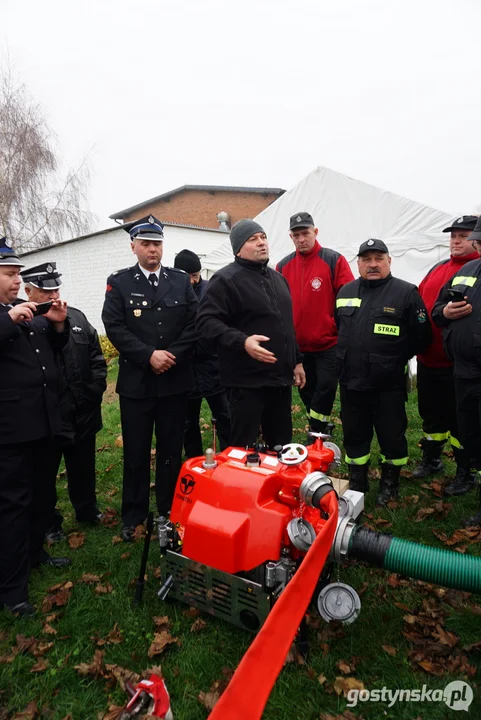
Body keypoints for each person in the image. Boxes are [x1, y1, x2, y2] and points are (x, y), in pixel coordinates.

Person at [102, 215, 198, 542]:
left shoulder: (181, 281)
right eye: (145, 244)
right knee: (137, 452)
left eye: (157, 243)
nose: (152, 249)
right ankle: (134, 514)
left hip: (174, 381)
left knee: (171, 449)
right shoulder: (120, 282)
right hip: (137, 385)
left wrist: (171, 355)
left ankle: (169, 510)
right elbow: (114, 326)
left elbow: (194, 323)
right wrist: (148, 355)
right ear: (133, 247)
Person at [0, 238, 71, 618]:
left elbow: (47, 356)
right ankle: (12, 588)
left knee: (42, 494)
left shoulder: (18, 311)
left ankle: (35, 552)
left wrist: (57, 327)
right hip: (10, 429)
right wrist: (7, 321)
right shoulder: (8, 315)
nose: (16, 281)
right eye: (10, 274)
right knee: (12, 504)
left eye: (17, 274)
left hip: (42, 422)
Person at [335, 238, 432, 505]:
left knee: (392, 436)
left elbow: (422, 336)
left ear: (390, 261)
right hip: (352, 383)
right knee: (354, 435)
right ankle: (357, 480)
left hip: (388, 385)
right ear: (358, 263)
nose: (373, 264)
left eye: (379, 258)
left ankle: (390, 483)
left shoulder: (405, 293)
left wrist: (393, 358)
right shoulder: (344, 292)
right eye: (367, 259)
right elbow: (338, 329)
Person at [197, 219, 305, 449]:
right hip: (246, 383)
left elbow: (286, 325)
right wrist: (242, 341)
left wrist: (297, 361)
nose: (261, 243)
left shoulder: (278, 278)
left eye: (263, 237)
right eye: (252, 239)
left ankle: (277, 485)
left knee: (281, 447)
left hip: (279, 382)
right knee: (243, 449)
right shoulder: (225, 280)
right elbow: (206, 322)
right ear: (238, 248)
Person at [21, 262, 107, 540]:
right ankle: (49, 524)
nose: (53, 295)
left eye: (56, 288)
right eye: (45, 291)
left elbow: (96, 356)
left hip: (83, 410)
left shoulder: (77, 317)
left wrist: (94, 391)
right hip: (48, 416)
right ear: (28, 291)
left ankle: (87, 509)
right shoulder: (23, 324)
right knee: (44, 475)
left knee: (83, 467)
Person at [413, 216, 479, 496]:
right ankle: (432, 459)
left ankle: (464, 471)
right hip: (429, 359)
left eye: (463, 236)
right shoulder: (439, 268)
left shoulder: (473, 269)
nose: (456, 240)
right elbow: (428, 304)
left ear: (476, 238)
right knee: (431, 415)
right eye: (453, 236)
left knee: (460, 422)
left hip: (460, 365)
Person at [276, 212, 353, 437]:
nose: (302, 239)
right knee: (306, 389)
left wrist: (336, 327)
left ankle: (316, 431)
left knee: (326, 387)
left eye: (305, 233)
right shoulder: (283, 266)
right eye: (296, 235)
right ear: (291, 237)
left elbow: (348, 300)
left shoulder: (334, 260)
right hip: (298, 347)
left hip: (328, 343)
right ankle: (319, 423)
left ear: (315, 232)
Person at [432, 216, 481, 526]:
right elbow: (438, 311)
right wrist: (446, 312)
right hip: (463, 370)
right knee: (471, 434)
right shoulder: (466, 272)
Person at [173, 249, 230, 457]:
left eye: (196, 275)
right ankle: (194, 462)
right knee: (188, 422)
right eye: (187, 276)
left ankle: (230, 458)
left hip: (213, 366)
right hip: (185, 369)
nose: (192, 281)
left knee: (225, 416)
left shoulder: (210, 290)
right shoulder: (171, 293)